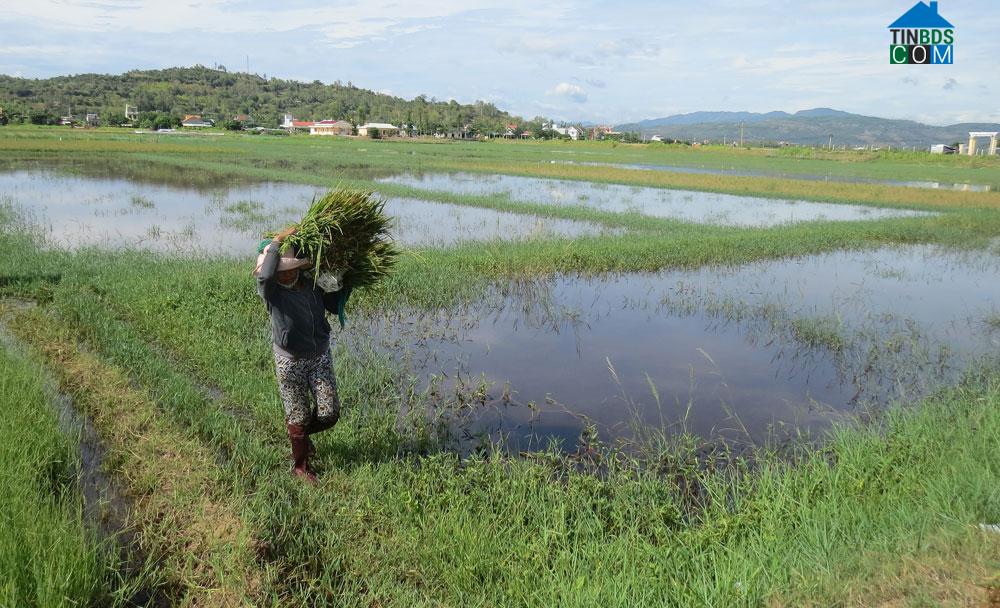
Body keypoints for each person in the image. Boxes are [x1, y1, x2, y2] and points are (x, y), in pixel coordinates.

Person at [255, 227, 341, 483]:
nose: (286, 274)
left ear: (299, 267)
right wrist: (277, 241)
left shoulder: (313, 285)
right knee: (299, 415)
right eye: (281, 270)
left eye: (290, 268)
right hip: (289, 361)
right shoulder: (272, 293)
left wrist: (344, 280)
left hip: (319, 357)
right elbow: (265, 277)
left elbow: (335, 307)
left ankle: (300, 435)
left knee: (329, 414)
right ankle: (301, 466)